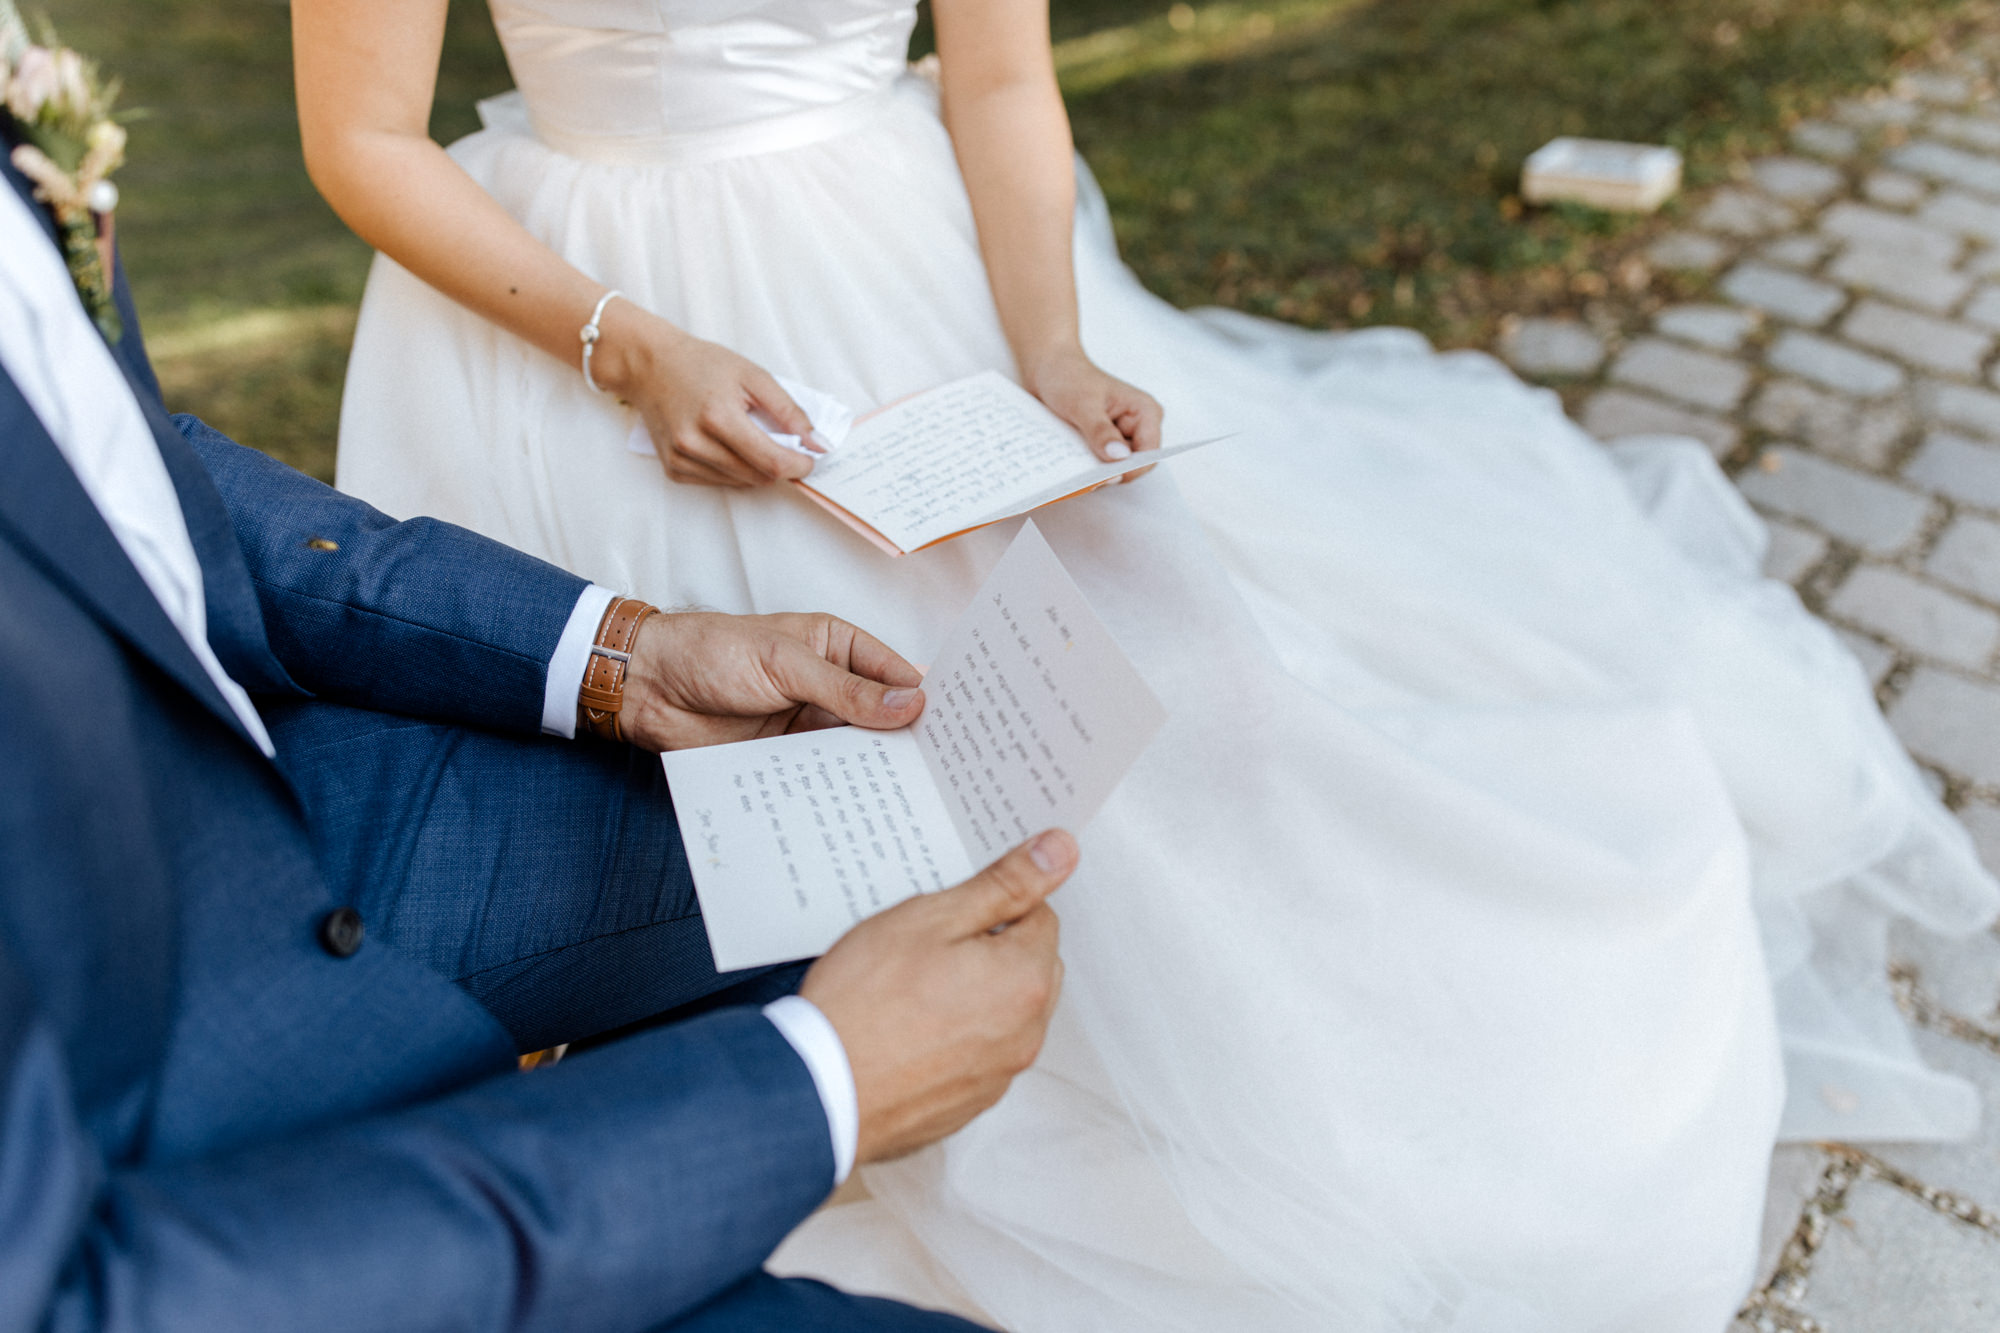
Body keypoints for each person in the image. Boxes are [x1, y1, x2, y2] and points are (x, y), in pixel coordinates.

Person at [310, 0, 1998, 1327]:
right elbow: (361, 133)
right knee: (721, 785)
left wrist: (1049, 347)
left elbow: (996, 84)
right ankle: (741, 1087)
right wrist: (631, 347)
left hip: (896, 281)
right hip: (564, 325)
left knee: (1166, 703)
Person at [0, 113, 1087, 1330]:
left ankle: (635, 1197)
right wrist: (819, 1086)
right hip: (148, 1125)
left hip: (253, 810)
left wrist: (627, 655)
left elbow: (147, 474)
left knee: (841, 828)